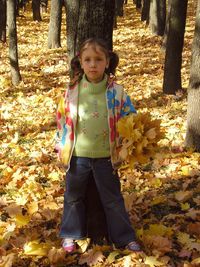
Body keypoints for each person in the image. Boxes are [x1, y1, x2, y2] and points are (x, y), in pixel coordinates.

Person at [56, 38, 142, 253]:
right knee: (73, 197)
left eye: (98, 59)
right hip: (77, 157)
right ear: (80, 62)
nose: (93, 64)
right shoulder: (72, 91)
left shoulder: (117, 92)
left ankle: (125, 238)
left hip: (107, 157)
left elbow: (130, 118)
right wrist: (61, 148)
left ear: (107, 62)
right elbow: (61, 121)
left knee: (113, 200)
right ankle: (70, 235)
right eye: (88, 60)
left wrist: (127, 145)